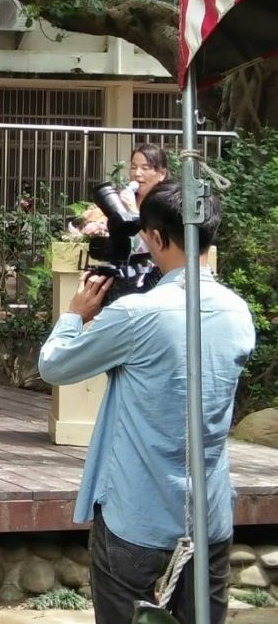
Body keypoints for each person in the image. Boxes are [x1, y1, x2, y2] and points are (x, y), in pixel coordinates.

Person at [38, 182, 254, 624]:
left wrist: (73, 317)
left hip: (136, 518)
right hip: (208, 517)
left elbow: (55, 366)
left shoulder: (138, 314)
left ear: (155, 237)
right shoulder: (238, 313)